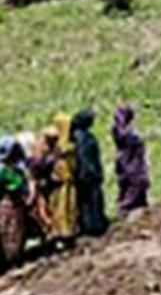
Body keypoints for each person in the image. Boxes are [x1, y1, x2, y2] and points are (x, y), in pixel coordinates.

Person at [34, 118, 77, 247]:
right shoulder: (63, 148)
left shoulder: (60, 149)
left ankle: (62, 233)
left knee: (60, 209)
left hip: (58, 184)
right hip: (55, 183)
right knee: (59, 209)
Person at [69, 108, 106, 237]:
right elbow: (84, 158)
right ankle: (93, 225)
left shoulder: (79, 136)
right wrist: (91, 173)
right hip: (88, 174)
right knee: (90, 200)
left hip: (87, 173)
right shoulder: (82, 138)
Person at [110, 106, 149, 213]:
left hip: (123, 163)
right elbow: (137, 139)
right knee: (135, 187)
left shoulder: (118, 130)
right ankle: (128, 208)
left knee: (126, 186)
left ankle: (125, 207)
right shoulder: (130, 134)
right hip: (134, 165)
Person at [0, 137, 31, 268]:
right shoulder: (5, 169)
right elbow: (16, 185)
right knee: (11, 231)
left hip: (10, 203)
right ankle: (11, 258)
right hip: (11, 203)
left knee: (10, 230)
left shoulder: (12, 167)